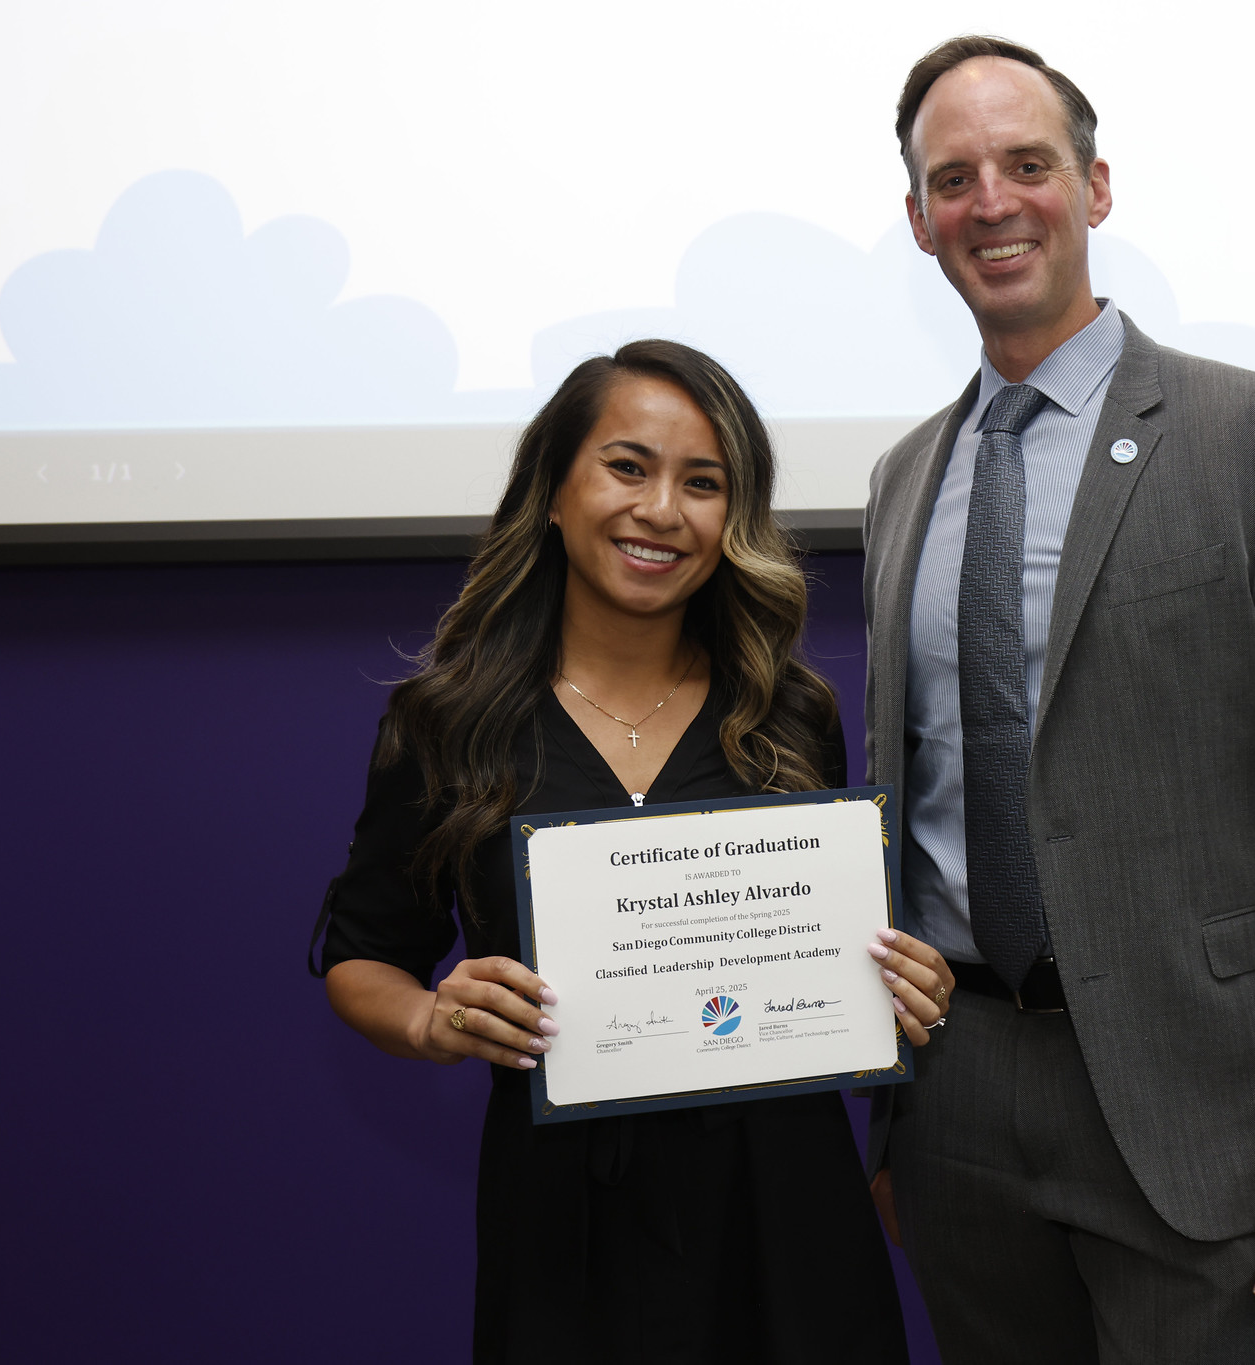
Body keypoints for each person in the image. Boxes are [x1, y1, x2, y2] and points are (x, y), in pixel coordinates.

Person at [860, 37, 1255, 1364]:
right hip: (959, 1101)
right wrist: (894, 1119)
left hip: (1202, 1113)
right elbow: (913, 810)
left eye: (1028, 165)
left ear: (1096, 187)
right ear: (917, 221)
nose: (993, 203)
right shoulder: (901, 484)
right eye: (954, 180)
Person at [314, 340, 953, 1363]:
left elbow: (835, 945)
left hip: (782, 1209)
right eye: (626, 467)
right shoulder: (448, 723)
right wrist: (432, 1018)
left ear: (730, 522)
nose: (661, 510)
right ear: (553, 491)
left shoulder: (788, 714)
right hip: (563, 1222)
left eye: (702, 484)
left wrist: (894, 976)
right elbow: (360, 953)